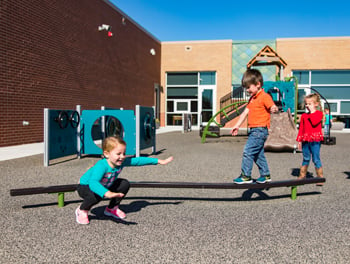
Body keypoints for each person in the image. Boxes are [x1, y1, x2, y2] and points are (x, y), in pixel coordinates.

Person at [75, 136, 173, 224]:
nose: (122, 157)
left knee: (124, 184)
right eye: (118, 154)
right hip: (85, 186)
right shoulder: (102, 165)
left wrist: (159, 161)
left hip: (105, 185)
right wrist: (107, 193)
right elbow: (93, 183)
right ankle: (82, 210)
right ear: (107, 154)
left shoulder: (120, 162)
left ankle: (111, 209)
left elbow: (138, 160)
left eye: (124, 153)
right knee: (96, 195)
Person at [231, 69, 278, 184]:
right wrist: (236, 126)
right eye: (246, 88)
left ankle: (246, 175)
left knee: (248, 151)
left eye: (249, 87)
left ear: (258, 85)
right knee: (258, 154)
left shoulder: (264, 96)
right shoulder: (252, 99)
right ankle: (265, 174)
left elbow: (273, 106)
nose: (247, 90)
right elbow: (244, 113)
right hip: (254, 131)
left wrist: (274, 108)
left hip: (260, 130)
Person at [296, 93, 324, 185]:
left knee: (316, 158)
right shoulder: (304, 115)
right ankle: (302, 175)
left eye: (310, 104)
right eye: (306, 104)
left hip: (315, 140)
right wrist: (299, 140)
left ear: (316, 104)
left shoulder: (319, 114)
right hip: (305, 140)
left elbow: (314, 122)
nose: (307, 106)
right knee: (306, 158)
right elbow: (301, 128)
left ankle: (320, 177)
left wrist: (312, 112)